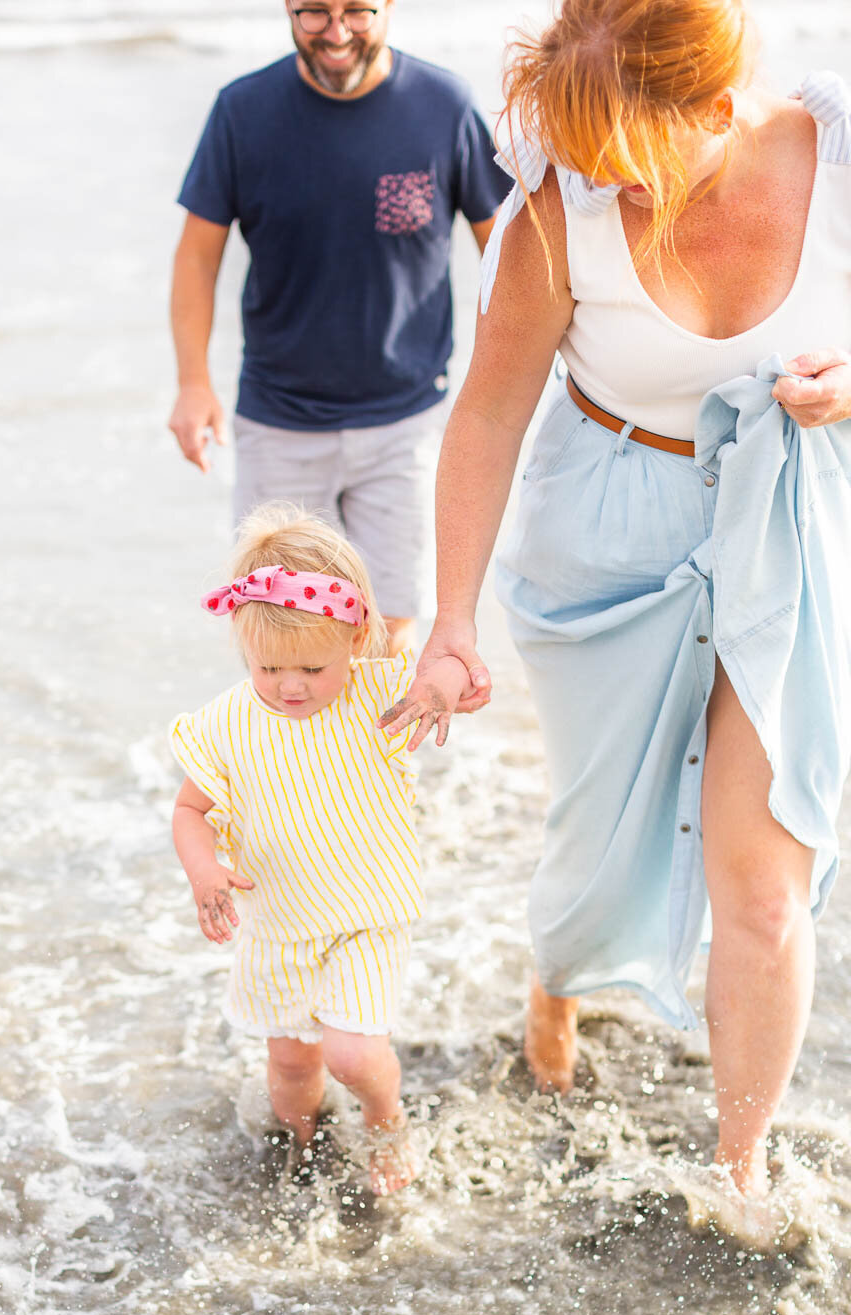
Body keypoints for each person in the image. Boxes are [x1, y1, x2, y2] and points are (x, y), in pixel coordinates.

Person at [380, 0, 851, 1211]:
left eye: (619, 157)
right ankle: (559, 978)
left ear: (712, 110)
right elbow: (485, 412)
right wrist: (447, 623)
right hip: (606, 534)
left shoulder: (836, 156)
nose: (597, 181)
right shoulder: (558, 207)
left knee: (762, 877)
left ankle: (738, 1171)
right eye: (577, 154)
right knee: (597, 837)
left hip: (790, 527)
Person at [167, 1, 511, 652]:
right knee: (282, 640)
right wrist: (192, 382)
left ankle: (379, 760)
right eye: (314, 14)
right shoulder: (242, 111)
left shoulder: (444, 105)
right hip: (278, 422)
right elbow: (196, 256)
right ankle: (285, 760)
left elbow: (506, 251)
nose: (338, 32)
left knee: (389, 635)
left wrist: (500, 382)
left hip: (404, 423)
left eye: (357, 11)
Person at [170, 506, 460, 1194]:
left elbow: (447, 679)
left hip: (366, 914)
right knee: (292, 1074)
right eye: (268, 666)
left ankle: (386, 1118)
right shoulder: (225, 724)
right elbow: (190, 810)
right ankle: (305, 1146)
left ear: (356, 638)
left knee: (354, 1055)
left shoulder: (377, 694)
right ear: (244, 644)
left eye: (311, 666)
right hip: (278, 927)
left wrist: (449, 688)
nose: (290, 684)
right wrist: (204, 868)